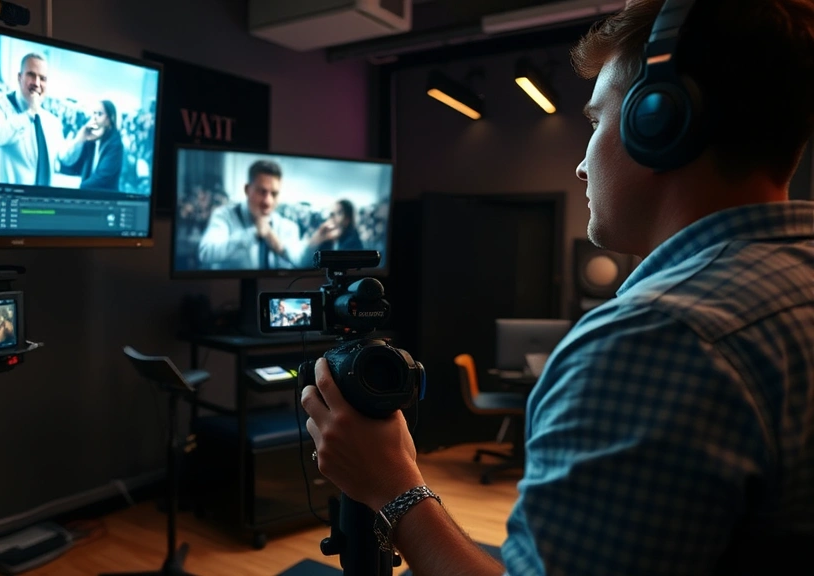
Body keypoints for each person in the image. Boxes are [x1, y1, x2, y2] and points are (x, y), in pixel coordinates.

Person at [300, 1, 814, 574]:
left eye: (595, 122)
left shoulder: (651, 341)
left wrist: (392, 485)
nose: (580, 165)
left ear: (659, 121)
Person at [197, 160, 339, 269]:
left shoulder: (286, 226)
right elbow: (206, 254)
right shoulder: (225, 216)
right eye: (262, 192)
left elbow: (299, 261)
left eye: (274, 194)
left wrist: (315, 240)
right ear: (247, 189)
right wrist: (252, 234)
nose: (268, 201)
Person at [0, 53, 66, 186]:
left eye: (42, 78)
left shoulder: (52, 122)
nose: (37, 83)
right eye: (31, 75)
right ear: (19, 77)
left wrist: (82, 138)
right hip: (6, 200)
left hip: (42, 203)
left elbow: (64, 157)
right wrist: (30, 113)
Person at [58, 100, 125, 191]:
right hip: (90, 195)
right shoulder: (93, 139)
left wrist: (79, 187)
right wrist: (81, 137)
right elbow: (71, 165)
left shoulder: (115, 144)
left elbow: (102, 178)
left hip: (106, 199)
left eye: (100, 114)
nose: (95, 117)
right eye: (94, 113)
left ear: (110, 118)